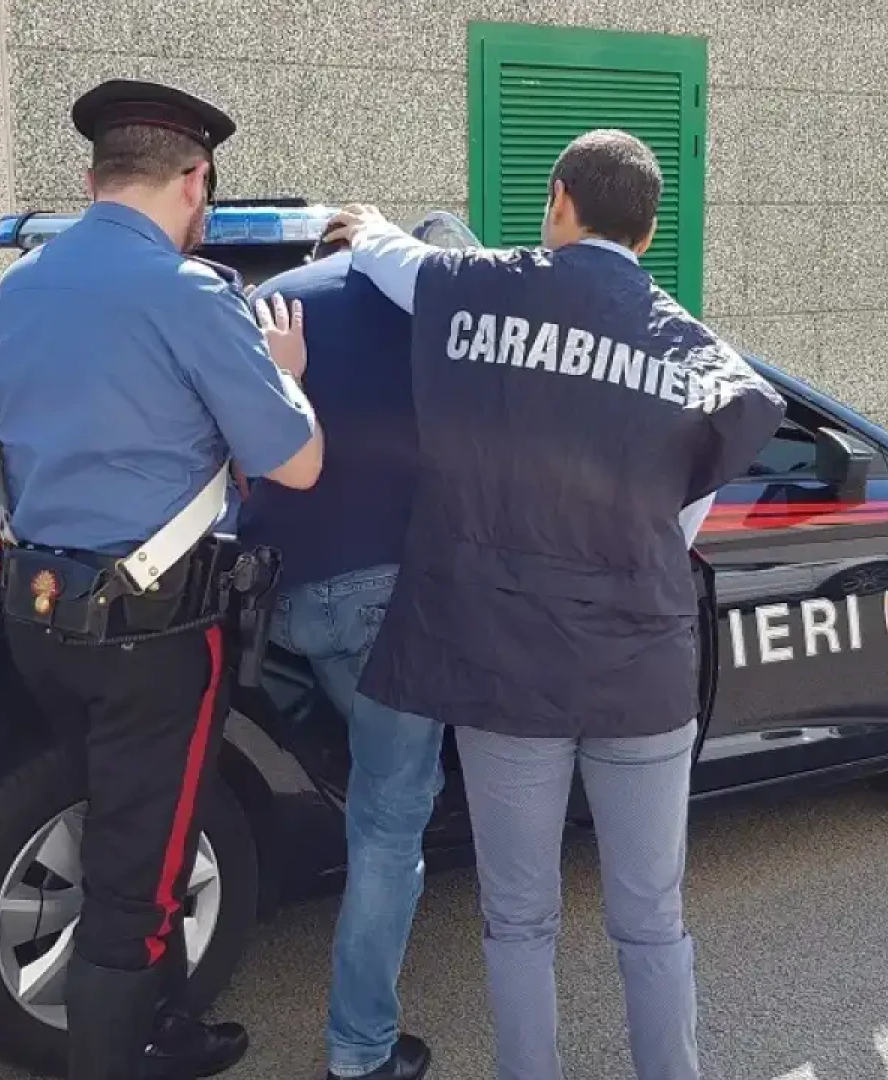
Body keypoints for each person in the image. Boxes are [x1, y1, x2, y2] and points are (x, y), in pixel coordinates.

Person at [321, 131, 785, 1080]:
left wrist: (364, 226)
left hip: (506, 668)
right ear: (648, 233)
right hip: (641, 672)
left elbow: (401, 263)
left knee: (518, 918)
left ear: (560, 201)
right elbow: (689, 503)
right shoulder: (686, 343)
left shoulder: (487, 286)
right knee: (652, 919)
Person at [0, 79, 325, 1080]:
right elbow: (296, 462)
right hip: (154, 639)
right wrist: (286, 372)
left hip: (40, 617)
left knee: (129, 836)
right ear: (195, 182)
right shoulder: (188, 295)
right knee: (133, 889)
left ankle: (166, 1030)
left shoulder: (22, 288)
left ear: (93, 180)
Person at [237, 227, 455, 1080]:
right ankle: (361, 1052)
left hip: (274, 592)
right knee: (388, 826)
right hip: (378, 598)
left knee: (361, 778)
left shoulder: (271, 303)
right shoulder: (430, 309)